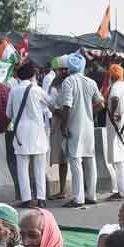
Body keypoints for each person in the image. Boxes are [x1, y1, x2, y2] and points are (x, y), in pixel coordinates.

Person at [55, 53, 105, 208]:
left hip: (74, 126)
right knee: (90, 160)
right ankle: (91, 195)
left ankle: (78, 198)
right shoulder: (91, 82)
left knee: (75, 161)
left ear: (69, 67)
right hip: (88, 126)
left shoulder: (68, 82)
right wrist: (88, 111)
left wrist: (64, 125)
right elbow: (101, 104)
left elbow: (67, 106)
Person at [7, 62, 52, 208]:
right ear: (33, 75)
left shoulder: (14, 91)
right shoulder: (37, 90)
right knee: (39, 166)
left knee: (22, 167)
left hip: (20, 133)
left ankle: (27, 198)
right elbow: (52, 104)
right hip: (37, 132)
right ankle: (41, 198)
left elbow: (8, 113)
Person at [104, 64, 124, 200]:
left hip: (118, 128)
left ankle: (121, 192)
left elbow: (115, 98)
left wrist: (114, 112)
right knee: (123, 160)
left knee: (119, 161)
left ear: (112, 76)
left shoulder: (116, 87)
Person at [45, 57, 71, 200]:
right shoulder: (54, 83)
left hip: (67, 124)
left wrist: (61, 113)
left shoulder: (69, 83)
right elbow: (50, 103)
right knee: (63, 160)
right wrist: (57, 111)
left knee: (69, 159)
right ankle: (62, 190)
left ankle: (68, 191)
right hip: (60, 124)